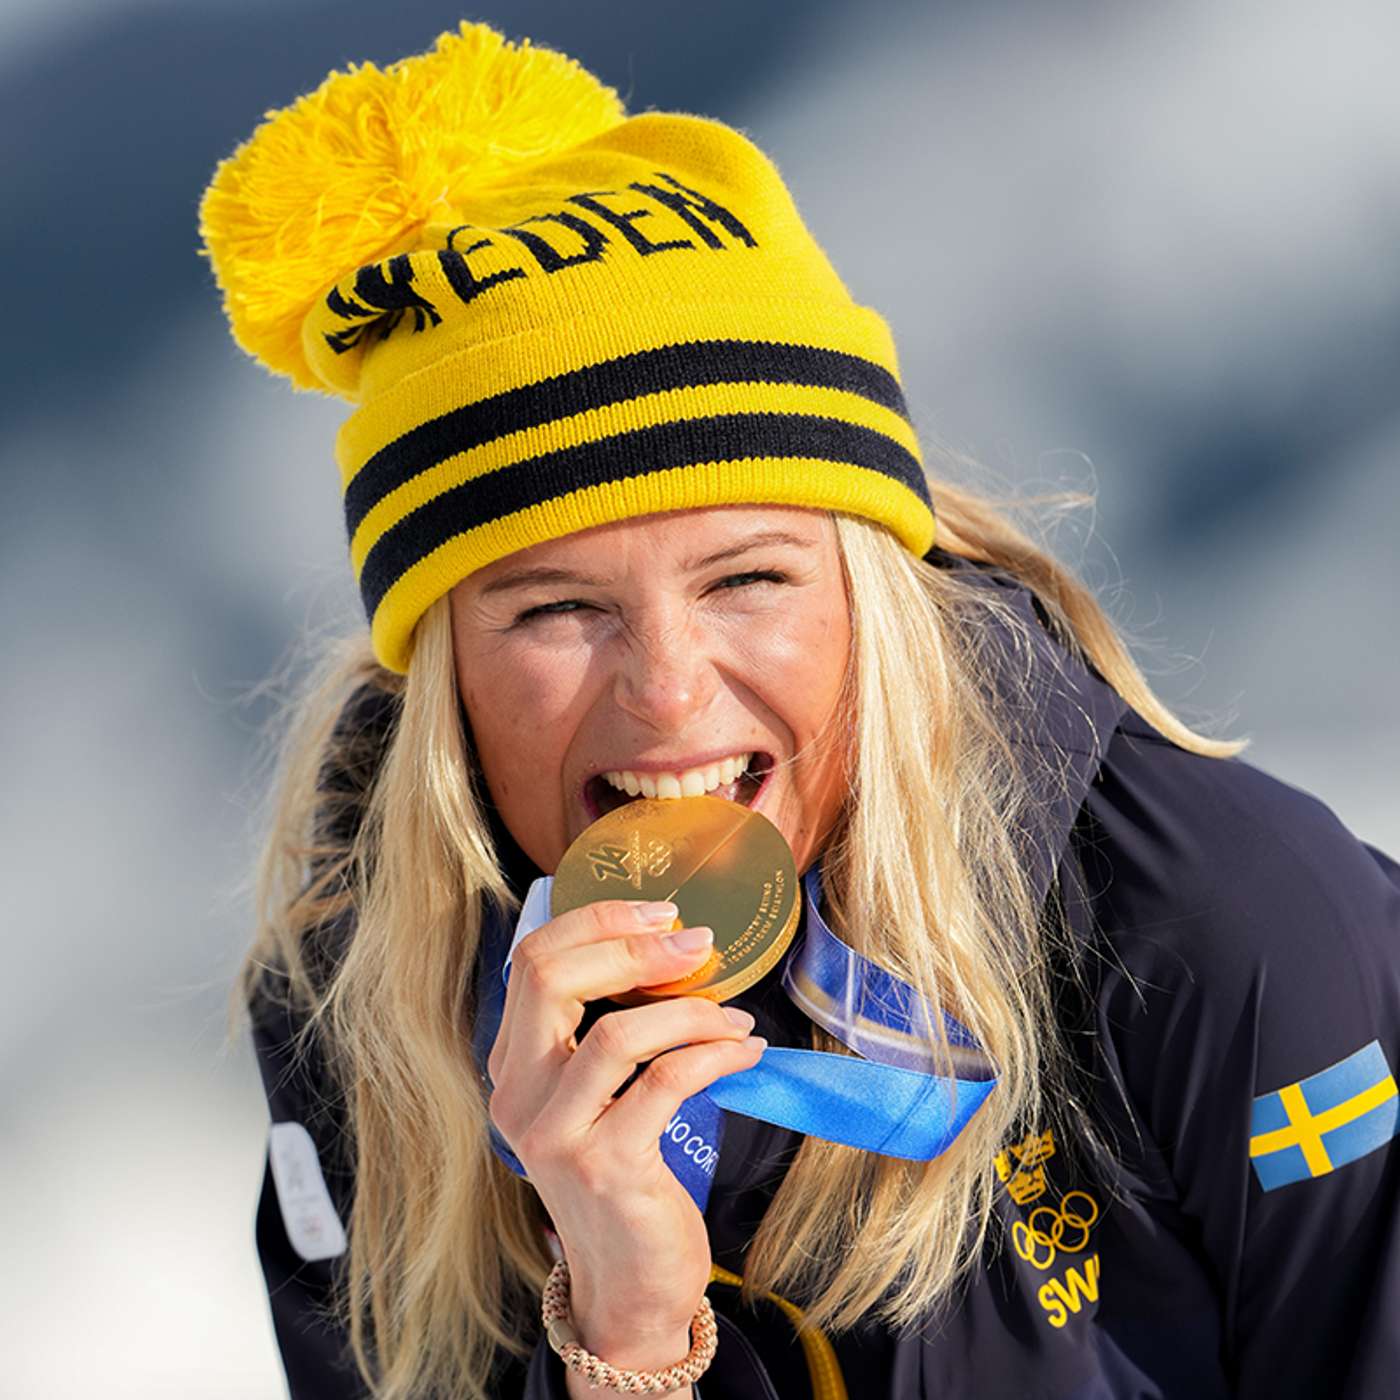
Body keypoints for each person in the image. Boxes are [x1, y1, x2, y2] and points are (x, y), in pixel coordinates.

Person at [200, 21, 1400, 1400]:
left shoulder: (1220, 924)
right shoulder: (374, 1013)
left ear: (867, 589)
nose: (665, 690)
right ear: (443, 665)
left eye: (747, 579)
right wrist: (626, 1335)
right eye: (555, 609)